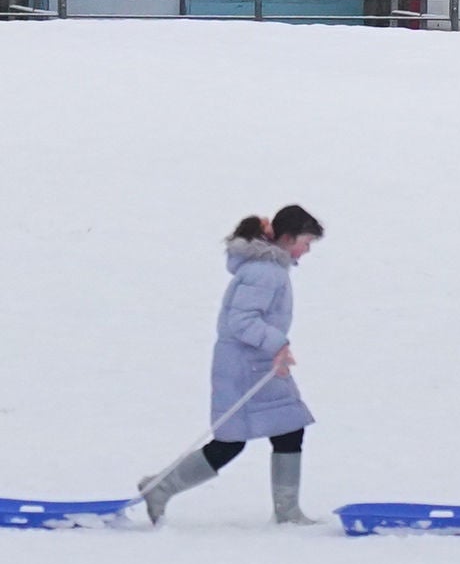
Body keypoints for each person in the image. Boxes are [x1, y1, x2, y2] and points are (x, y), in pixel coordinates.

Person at [139, 205, 325, 527]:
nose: (307, 250)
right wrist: (277, 343)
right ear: (288, 237)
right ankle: (161, 487)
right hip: (245, 367)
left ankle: (287, 512)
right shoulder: (266, 272)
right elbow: (241, 321)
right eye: (305, 242)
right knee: (232, 441)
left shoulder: (268, 269)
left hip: (256, 364)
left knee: (288, 428)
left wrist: (275, 348)